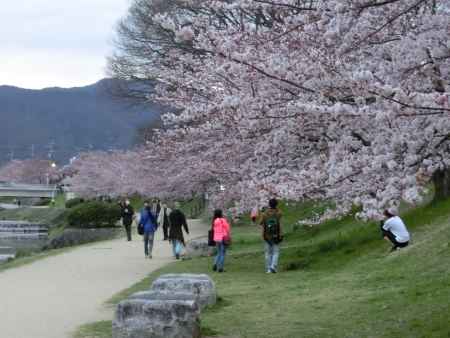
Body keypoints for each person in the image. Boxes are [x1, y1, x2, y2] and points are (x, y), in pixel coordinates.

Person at [260, 198, 283, 273]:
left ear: (269, 204)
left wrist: (262, 234)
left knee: (268, 252)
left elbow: (261, 223)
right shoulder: (279, 213)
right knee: (276, 252)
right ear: (276, 204)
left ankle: (269, 268)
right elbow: (280, 223)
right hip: (276, 234)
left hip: (267, 235)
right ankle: (273, 266)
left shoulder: (264, 214)